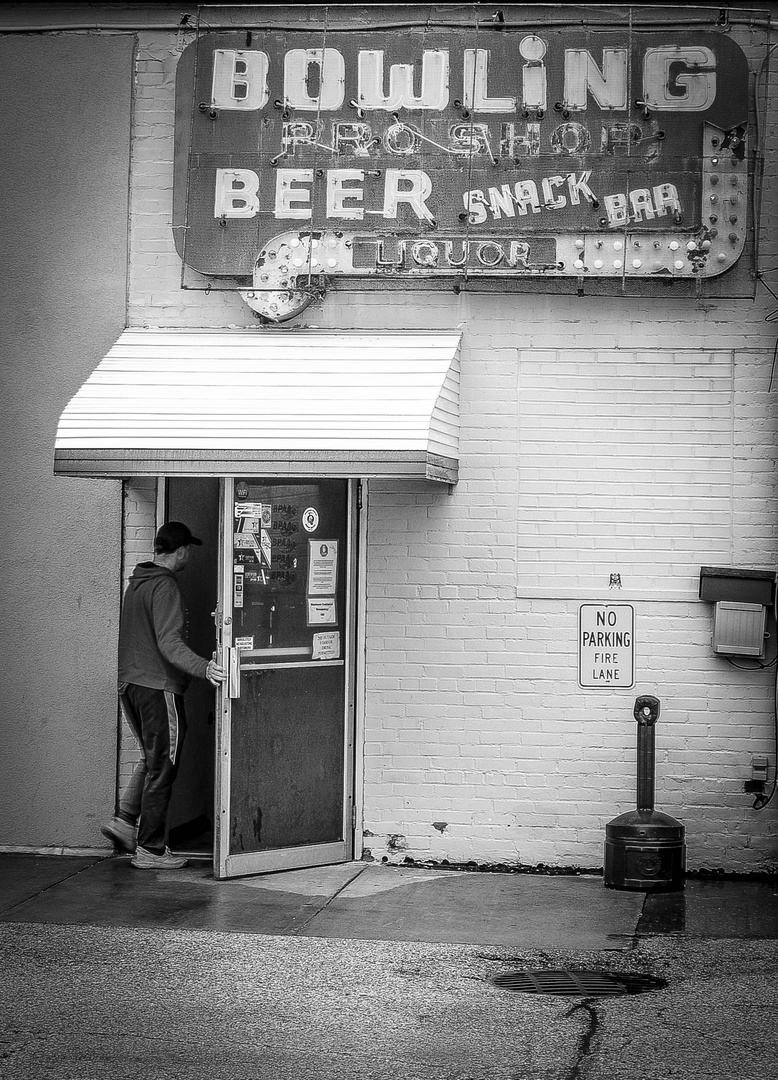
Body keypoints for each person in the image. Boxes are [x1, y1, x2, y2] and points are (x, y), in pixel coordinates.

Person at [101, 521, 226, 870]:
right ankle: (151, 850)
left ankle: (125, 821)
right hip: (158, 688)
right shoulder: (165, 586)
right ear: (183, 551)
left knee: (152, 758)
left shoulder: (138, 584)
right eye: (190, 551)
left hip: (131, 685)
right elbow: (169, 644)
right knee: (164, 766)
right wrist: (206, 668)